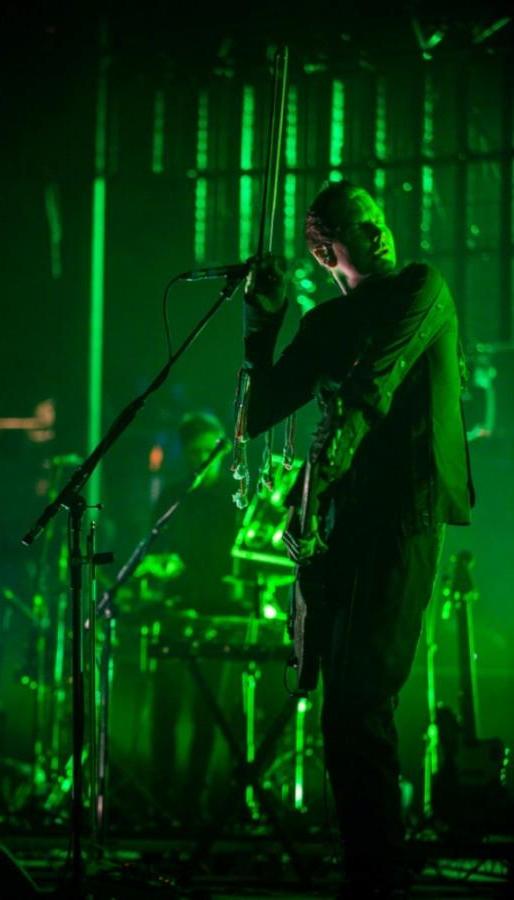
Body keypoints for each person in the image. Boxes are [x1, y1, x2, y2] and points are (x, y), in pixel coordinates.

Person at [242, 180, 474, 899]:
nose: (377, 231)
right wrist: (264, 322)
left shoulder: (421, 288)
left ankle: (379, 880)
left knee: (361, 704)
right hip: (344, 531)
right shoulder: (324, 324)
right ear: (324, 252)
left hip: (405, 517)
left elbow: (375, 384)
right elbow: (253, 414)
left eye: (376, 218)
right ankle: (370, 873)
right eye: (357, 225)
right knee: (341, 714)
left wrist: (321, 472)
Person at [147, 411, 241, 823]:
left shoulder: (236, 498)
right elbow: (156, 550)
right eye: (196, 452)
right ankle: (160, 799)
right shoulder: (173, 496)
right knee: (165, 708)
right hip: (177, 610)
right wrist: (159, 568)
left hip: (220, 614)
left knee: (209, 712)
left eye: (211, 451)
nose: (205, 459)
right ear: (185, 454)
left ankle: (195, 802)